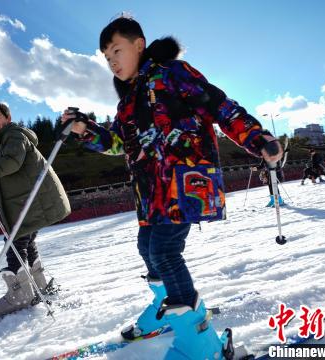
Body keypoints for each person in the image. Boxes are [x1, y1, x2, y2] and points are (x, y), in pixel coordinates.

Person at [61, 16, 282, 360]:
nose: (113, 62)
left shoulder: (174, 73)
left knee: (165, 252)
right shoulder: (128, 100)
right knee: (148, 248)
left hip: (184, 184)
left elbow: (219, 106)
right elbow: (118, 142)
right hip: (150, 193)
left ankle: (201, 343)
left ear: (139, 45)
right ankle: (163, 310)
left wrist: (258, 137)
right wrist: (84, 128)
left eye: (117, 51)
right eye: (106, 58)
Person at [0, 101, 71, 319]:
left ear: (8, 118)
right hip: (29, 200)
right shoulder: (5, 140)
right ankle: (39, 285)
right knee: (24, 241)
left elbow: (8, 165)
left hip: (31, 201)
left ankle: (21, 294)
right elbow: (12, 174)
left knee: (15, 243)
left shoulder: (13, 136)